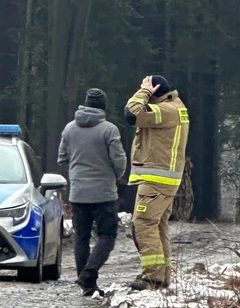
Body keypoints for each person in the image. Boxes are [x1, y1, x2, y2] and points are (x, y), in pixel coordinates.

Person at [57, 88, 127, 296]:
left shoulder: (69, 129)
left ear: (84, 104)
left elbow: (62, 158)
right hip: (104, 193)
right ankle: (89, 274)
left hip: (78, 193)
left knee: (81, 237)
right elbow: (119, 160)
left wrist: (76, 172)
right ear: (103, 106)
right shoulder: (109, 129)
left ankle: (86, 285)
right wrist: (116, 176)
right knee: (107, 235)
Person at [124, 74, 190, 291]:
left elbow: (131, 112)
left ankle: (152, 277)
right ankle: (161, 276)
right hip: (165, 179)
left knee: (143, 223)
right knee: (158, 226)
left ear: (155, 92)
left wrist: (143, 92)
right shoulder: (176, 107)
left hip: (156, 179)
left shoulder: (164, 111)